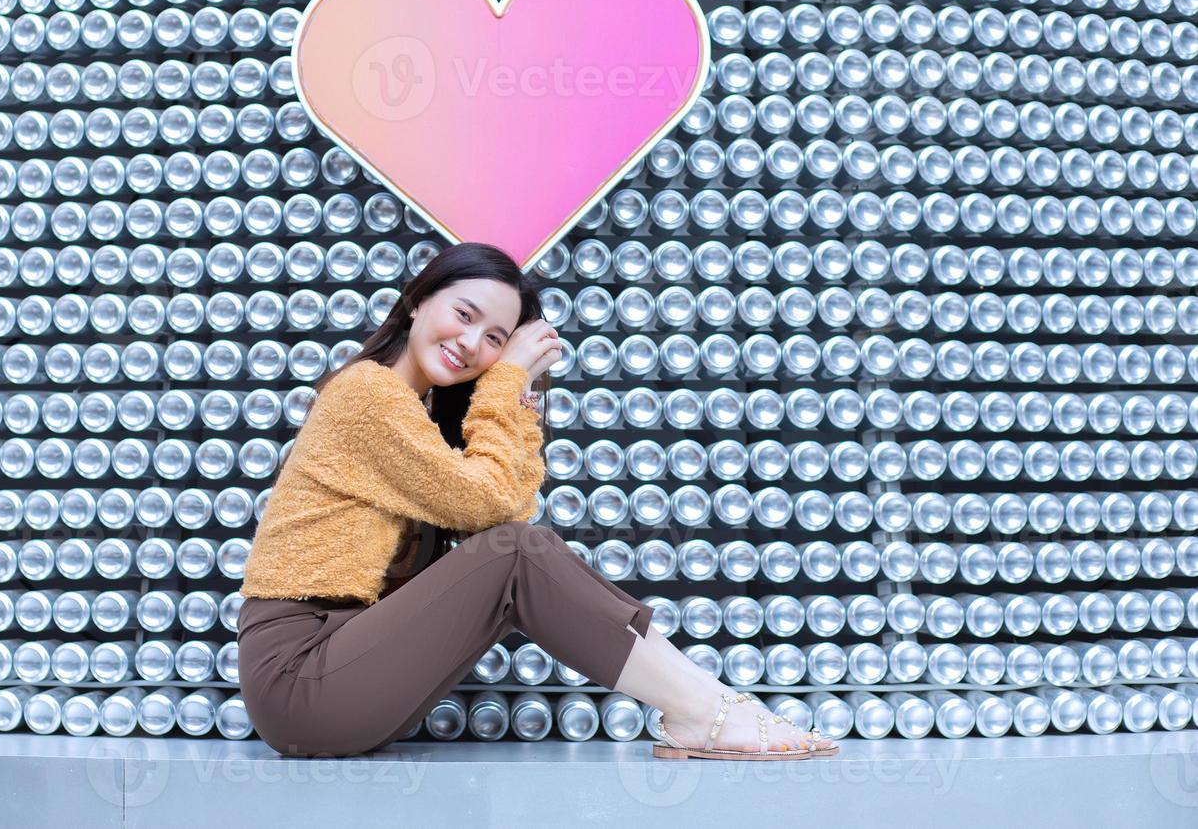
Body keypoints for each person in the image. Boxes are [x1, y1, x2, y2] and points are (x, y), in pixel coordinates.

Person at [237, 241, 838, 760]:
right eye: (463, 314)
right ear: (419, 299)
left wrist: (509, 389)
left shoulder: (412, 413)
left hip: (346, 672)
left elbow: (512, 507)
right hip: (302, 677)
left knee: (519, 549)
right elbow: (497, 512)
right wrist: (508, 380)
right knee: (515, 550)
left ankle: (710, 705)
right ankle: (703, 710)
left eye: (495, 339)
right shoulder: (368, 392)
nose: (470, 343)